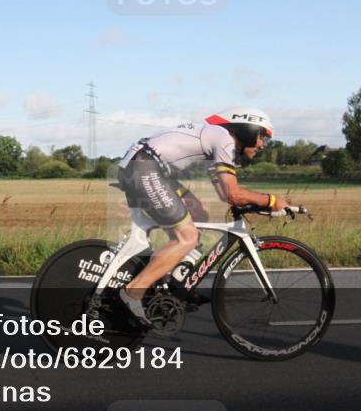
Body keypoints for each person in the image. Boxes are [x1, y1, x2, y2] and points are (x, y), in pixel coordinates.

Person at [115, 107, 292, 326]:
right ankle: (133, 292)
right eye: (262, 136)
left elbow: (223, 192)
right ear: (248, 129)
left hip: (146, 165)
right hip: (145, 168)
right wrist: (271, 201)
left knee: (198, 212)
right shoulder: (224, 139)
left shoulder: (218, 138)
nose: (262, 144)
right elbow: (232, 194)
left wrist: (251, 201)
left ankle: (179, 281)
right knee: (186, 237)